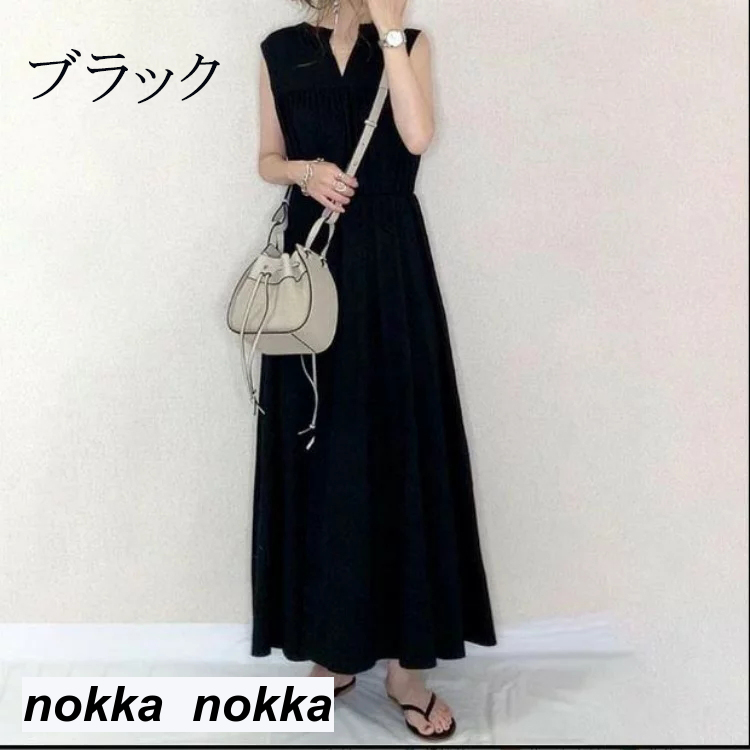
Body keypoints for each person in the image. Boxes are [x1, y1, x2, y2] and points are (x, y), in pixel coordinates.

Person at [251, 0, 497, 739]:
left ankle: (407, 669)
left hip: (391, 267)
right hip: (312, 271)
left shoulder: (409, 42)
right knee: (322, 455)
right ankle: (332, 650)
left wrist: (389, 26)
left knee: (398, 449)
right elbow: (265, 159)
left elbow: (417, 137)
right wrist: (304, 172)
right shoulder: (280, 48)